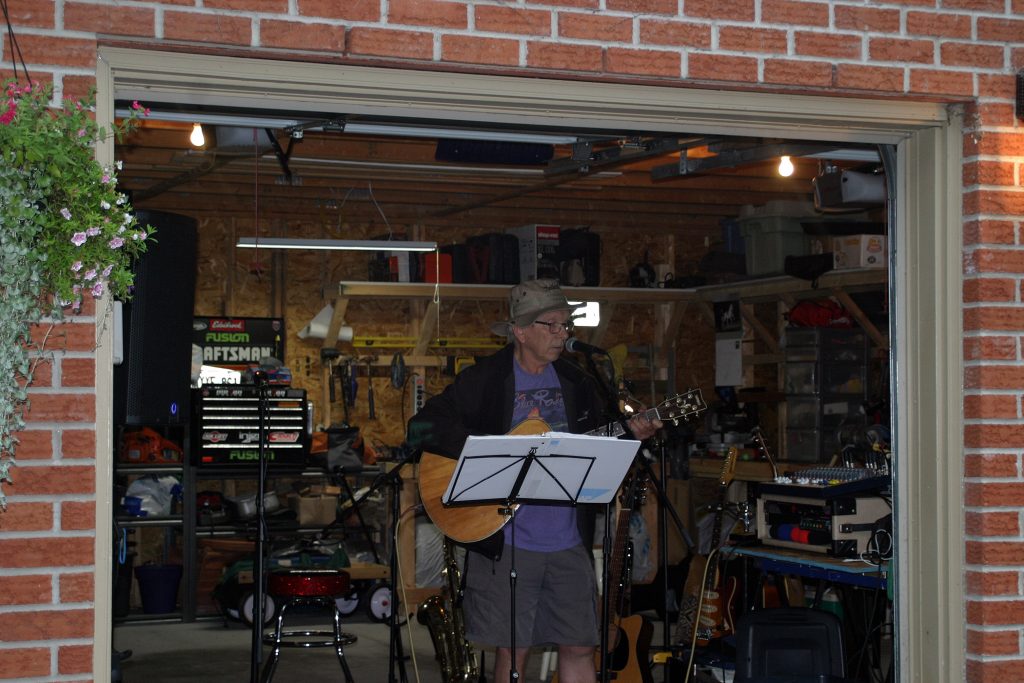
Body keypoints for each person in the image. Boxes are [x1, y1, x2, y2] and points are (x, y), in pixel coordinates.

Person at [407, 278, 661, 683]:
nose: (563, 335)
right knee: (514, 650)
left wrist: (632, 431)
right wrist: (486, 450)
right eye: (553, 325)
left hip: (567, 540)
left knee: (580, 644)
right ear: (520, 331)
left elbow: (598, 440)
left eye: (566, 326)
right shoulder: (486, 379)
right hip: (506, 538)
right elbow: (420, 429)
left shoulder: (578, 381)